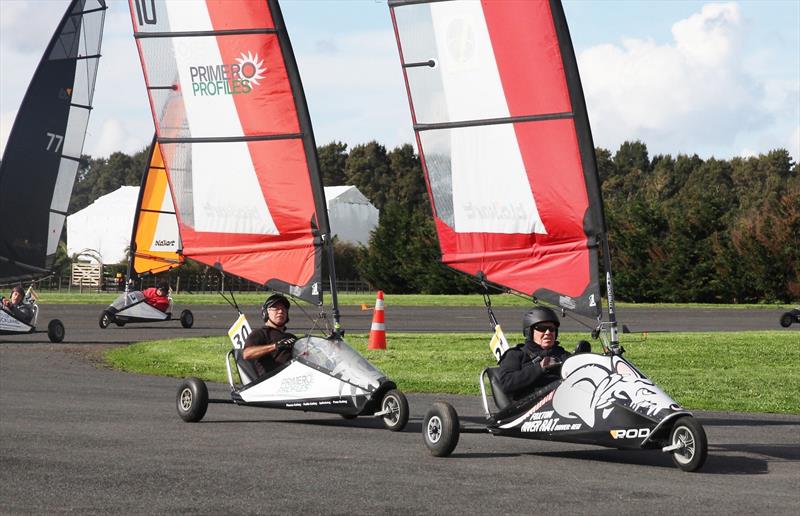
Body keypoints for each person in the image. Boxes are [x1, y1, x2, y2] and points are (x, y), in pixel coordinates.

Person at [497, 306, 579, 402]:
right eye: (542, 328)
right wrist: (539, 368)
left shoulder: (563, 355)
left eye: (551, 328)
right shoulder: (515, 354)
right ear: (529, 332)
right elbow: (506, 383)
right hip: (529, 408)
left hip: (563, 403)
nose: (548, 332)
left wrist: (580, 359)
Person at [242, 293, 297, 378]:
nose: (281, 311)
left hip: (296, 377)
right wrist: (275, 346)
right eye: (276, 308)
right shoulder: (260, 333)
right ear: (266, 313)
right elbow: (247, 354)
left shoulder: (291, 337)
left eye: (283, 309)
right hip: (272, 381)